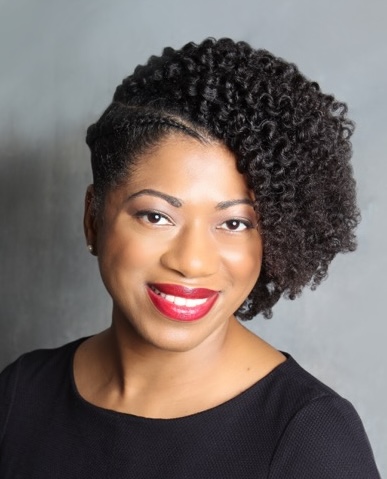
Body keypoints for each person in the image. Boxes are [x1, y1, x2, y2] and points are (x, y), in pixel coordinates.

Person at [0, 38, 381, 478]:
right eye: (157, 216)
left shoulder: (312, 438)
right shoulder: (19, 396)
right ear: (93, 219)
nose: (193, 261)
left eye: (235, 223)